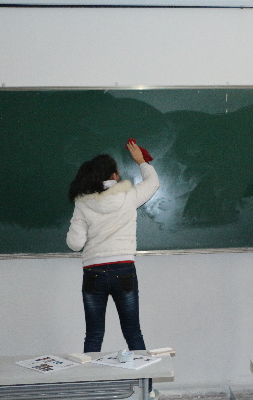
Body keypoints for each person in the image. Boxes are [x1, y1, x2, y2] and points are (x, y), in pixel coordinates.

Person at [66, 141, 159, 355]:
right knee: (133, 333)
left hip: (93, 272)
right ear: (114, 175)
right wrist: (141, 162)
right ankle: (146, 378)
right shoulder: (129, 196)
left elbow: (75, 244)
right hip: (123, 269)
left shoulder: (82, 201)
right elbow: (153, 183)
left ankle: (89, 378)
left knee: (93, 335)